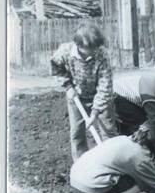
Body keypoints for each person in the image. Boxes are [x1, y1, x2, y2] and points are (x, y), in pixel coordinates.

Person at [50, 23, 116, 160]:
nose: (94, 51)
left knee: (108, 132)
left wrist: (95, 112)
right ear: (79, 45)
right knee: (77, 134)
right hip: (76, 97)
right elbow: (55, 68)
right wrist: (68, 86)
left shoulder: (102, 55)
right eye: (90, 48)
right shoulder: (65, 51)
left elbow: (105, 86)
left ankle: (111, 164)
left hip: (99, 97)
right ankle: (81, 167)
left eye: (96, 47)